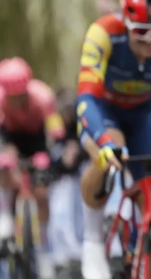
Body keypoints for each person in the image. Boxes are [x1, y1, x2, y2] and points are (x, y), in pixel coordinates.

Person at [76, 0, 151, 279]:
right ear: (124, 21)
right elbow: (86, 98)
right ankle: (92, 241)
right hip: (105, 109)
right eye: (140, 32)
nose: (150, 41)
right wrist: (103, 141)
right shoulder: (103, 33)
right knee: (107, 154)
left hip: (145, 113)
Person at [0, 57, 65, 278]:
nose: (17, 101)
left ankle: (44, 246)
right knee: (4, 165)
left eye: (21, 96)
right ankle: (5, 216)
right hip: (11, 138)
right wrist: (7, 153)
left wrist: (50, 154)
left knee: (41, 190)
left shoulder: (42, 95)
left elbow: (55, 131)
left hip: (37, 139)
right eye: (12, 97)